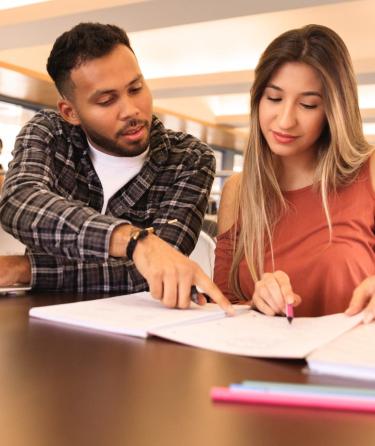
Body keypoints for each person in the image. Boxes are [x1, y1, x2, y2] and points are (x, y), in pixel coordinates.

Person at [0, 22, 232, 313]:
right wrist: (135, 242)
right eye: (107, 100)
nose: (131, 110)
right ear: (70, 112)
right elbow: (20, 204)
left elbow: (151, 274)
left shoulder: (189, 158)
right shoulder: (50, 133)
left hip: (140, 337)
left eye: (136, 88)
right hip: (42, 328)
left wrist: (27, 270)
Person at [214, 24, 375, 322]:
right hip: (259, 362)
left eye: (308, 104)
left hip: (353, 364)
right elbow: (223, 305)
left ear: (333, 111)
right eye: (274, 98)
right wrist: (255, 302)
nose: (285, 120)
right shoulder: (239, 190)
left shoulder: (370, 172)